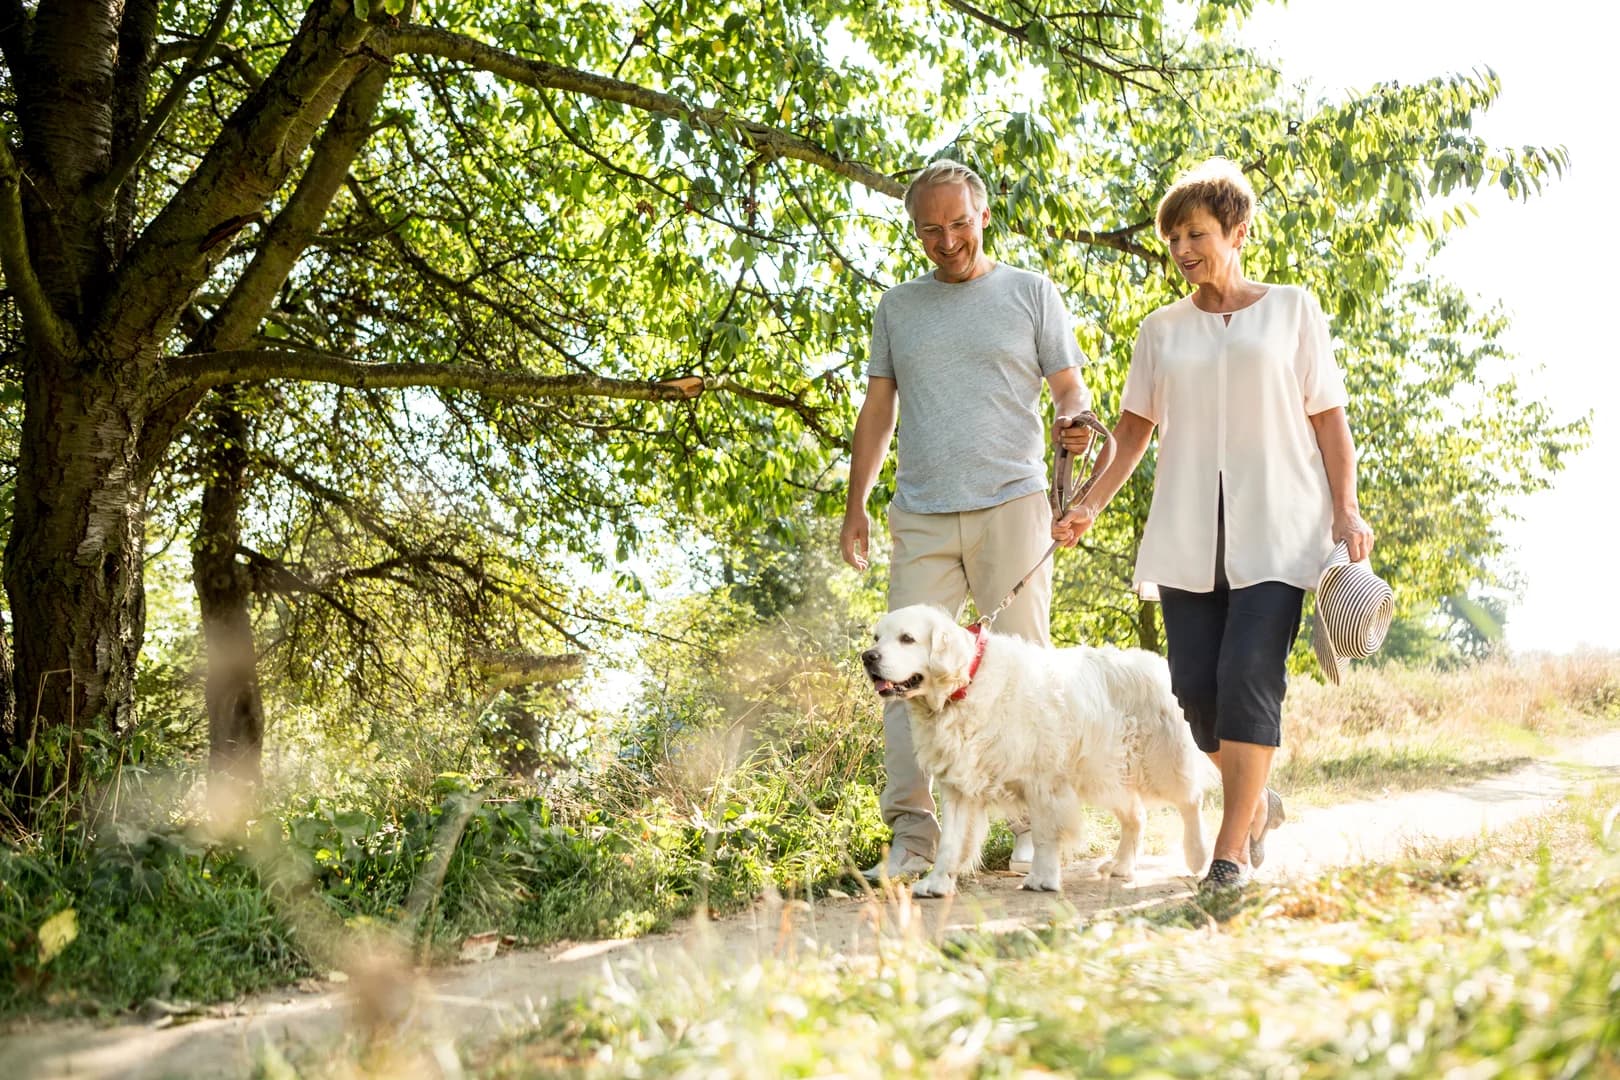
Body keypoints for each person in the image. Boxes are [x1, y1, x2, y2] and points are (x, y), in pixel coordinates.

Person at [1052, 157, 1374, 891]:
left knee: (1246, 675)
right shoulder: (1160, 330)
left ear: (1237, 230)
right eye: (1173, 240)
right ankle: (1256, 801)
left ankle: (1228, 855)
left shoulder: (1293, 309)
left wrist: (1345, 506)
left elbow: (1329, 419)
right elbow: (1133, 431)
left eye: (1196, 234)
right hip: (1188, 533)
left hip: (1280, 530)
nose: (1184, 250)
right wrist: (1088, 504)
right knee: (1196, 689)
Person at [842, 159, 1095, 881]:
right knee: (900, 677)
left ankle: (1028, 826)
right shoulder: (898, 306)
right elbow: (879, 409)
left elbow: (1069, 388)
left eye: (958, 223)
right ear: (914, 229)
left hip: (1012, 502)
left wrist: (1075, 422)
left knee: (1024, 679)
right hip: (920, 511)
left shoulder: (1029, 292)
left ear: (983, 216)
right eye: (930, 228)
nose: (946, 239)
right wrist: (857, 501)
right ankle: (914, 839)